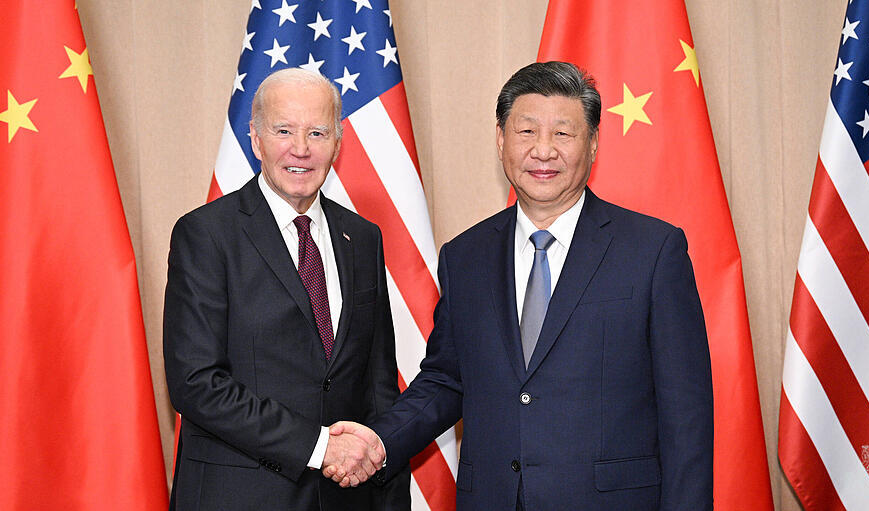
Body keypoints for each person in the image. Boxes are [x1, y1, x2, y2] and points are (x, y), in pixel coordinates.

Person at [328, 61, 713, 510]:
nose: (543, 151)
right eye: (526, 132)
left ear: (592, 145)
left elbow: (686, 415)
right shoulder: (465, 256)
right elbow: (447, 378)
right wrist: (378, 441)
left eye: (563, 134)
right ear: (500, 140)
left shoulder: (653, 251)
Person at [163, 68, 408, 510]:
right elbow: (195, 383)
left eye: (317, 132)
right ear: (256, 139)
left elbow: (377, 387)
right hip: (239, 498)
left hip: (345, 499)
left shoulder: (363, 238)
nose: (301, 149)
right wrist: (318, 447)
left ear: (338, 142)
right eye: (284, 131)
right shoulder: (206, 234)